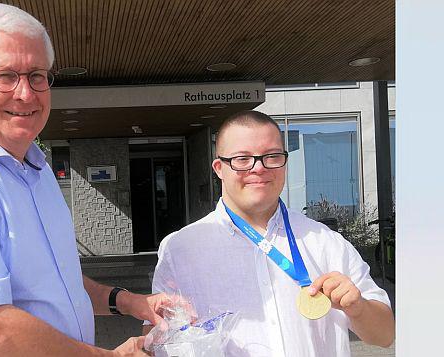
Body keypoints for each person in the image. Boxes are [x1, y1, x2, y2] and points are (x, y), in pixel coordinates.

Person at [0, 4, 173, 356]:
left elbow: (57, 285)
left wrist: (132, 302)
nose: (26, 94)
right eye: (6, 75)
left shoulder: (37, 171)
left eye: (37, 75)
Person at [145, 110, 394, 356]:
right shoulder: (181, 249)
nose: (259, 168)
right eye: (242, 159)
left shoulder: (325, 242)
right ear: (219, 168)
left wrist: (358, 308)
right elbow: (155, 341)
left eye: (272, 156)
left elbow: (384, 336)